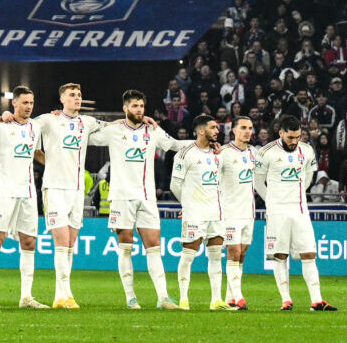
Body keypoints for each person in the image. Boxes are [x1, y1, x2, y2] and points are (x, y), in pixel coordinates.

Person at [88, 89, 181, 309]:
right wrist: (112, 122)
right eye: (134, 106)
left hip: (147, 198)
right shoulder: (114, 131)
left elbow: (175, 145)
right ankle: (131, 298)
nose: (139, 110)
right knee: (126, 247)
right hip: (122, 198)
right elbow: (86, 135)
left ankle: (163, 297)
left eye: (141, 106)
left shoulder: (153, 131)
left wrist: (201, 143)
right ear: (125, 108)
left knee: (154, 246)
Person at [256, 115, 336, 311]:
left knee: (309, 253)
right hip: (277, 212)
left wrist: (298, 193)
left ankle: (316, 301)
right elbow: (258, 182)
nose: (294, 141)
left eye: (298, 137)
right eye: (290, 137)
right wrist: (272, 202)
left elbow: (309, 176)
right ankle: (286, 300)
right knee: (279, 255)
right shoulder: (266, 152)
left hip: (300, 210)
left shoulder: (307, 150)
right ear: (281, 133)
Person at [0, 85, 45, 308]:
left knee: (29, 242)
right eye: (24, 102)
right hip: (5, 192)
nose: (28, 107)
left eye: (31, 103)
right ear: (14, 103)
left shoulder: (36, 127)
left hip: (27, 193)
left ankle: (26, 297)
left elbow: (37, 153)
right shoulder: (1, 125)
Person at [32, 82, 96, 308]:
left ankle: (63, 295)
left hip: (77, 189)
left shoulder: (87, 123)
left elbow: (112, 126)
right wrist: (6, 115)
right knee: (61, 241)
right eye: (72, 95)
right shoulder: (48, 120)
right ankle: (63, 295)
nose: (77, 98)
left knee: (70, 244)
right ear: (62, 99)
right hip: (55, 188)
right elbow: (26, 130)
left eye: (79, 94)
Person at [170, 117, 228, 310]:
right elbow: (174, 185)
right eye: (213, 127)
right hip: (195, 213)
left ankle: (216, 300)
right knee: (188, 255)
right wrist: (187, 205)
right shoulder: (184, 154)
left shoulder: (218, 153)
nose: (217, 131)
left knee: (216, 256)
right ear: (201, 131)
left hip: (216, 213)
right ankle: (184, 299)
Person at [217, 115, 260, 309]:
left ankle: (230, 298)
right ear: (233, 130)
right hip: (229, 212)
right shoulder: (223, 153)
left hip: (248, 212)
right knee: (233, 252)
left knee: (241, 254)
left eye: (250, 128)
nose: (247, 131)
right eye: (243, 127)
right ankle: (239, 296)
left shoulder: (254, 153)